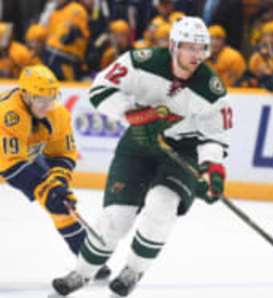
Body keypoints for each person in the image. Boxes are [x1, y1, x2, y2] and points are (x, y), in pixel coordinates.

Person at [52, 16, 231, 297]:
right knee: (115, 218)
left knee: (161, 207)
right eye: (189, 47)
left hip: (182, 150)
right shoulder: (140, 62)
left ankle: (133, 271)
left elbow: (216, 135)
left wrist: (212, 169)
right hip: (138, 142)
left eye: (202, 48)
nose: (196, 55)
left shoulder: (211, 88)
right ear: (173, 46)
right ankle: (81, 273)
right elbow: (100, 90)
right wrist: (133, 115)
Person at [0, 65, 110, 278]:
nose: (46, 105)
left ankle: (87, 259)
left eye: (51, 98)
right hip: (6, 159)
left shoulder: (57, 114)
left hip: (19, 157)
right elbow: (9, 165)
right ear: (24, 95)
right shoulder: (8, 114)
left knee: (59, 200)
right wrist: (46, 188)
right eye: (40, 99)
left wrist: (57, 181)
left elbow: (63, 154)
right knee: (49, 193)